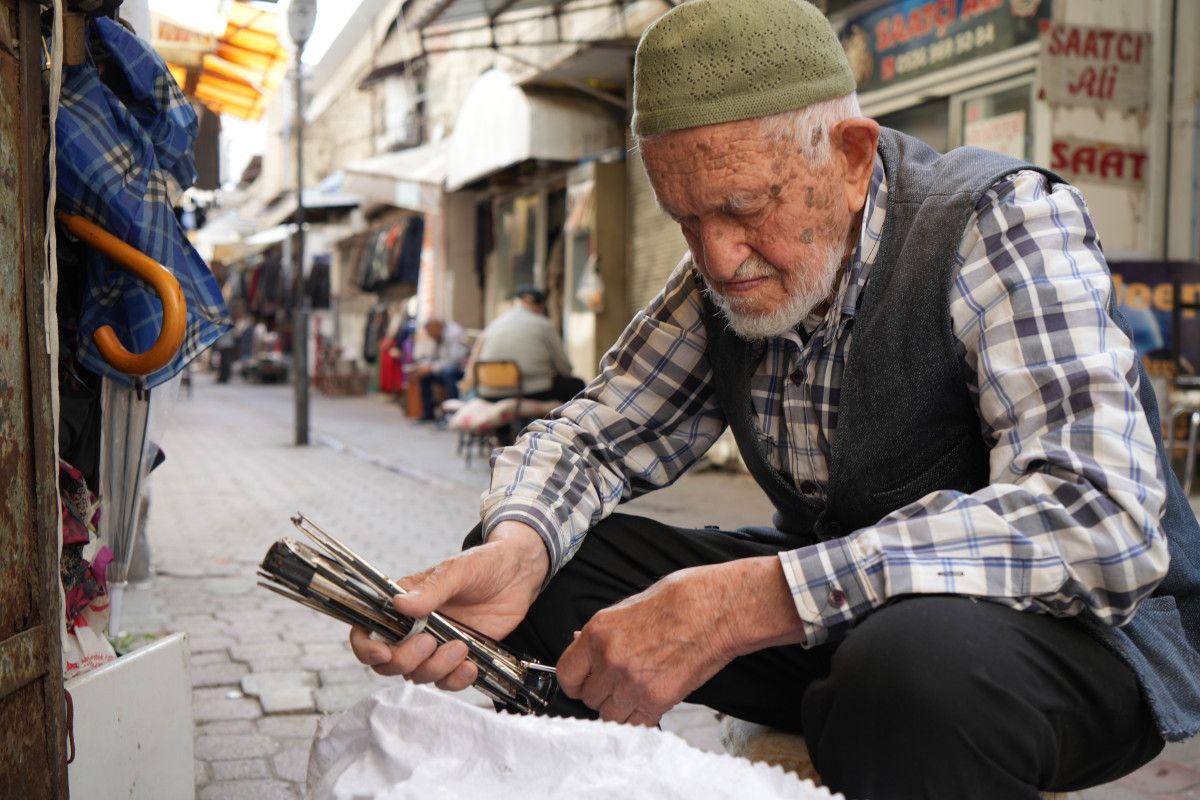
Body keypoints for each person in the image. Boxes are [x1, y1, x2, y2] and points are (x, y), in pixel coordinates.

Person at [349, 2, 1200, 797]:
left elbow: (1099, 517)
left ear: (853, 157)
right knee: (555, 574)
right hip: (849, 622)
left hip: (1071, 640)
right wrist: (517, 545)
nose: (719, 259)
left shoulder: (999, 221)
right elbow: (594, 438)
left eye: (744, 206)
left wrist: (751, 600)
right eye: (685, 220)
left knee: (909, 668)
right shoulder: (733, 270)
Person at [472, 285, 586, 403]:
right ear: (540, 308)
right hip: (528, 392)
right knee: (576, 385)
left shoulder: (493, 324)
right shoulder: (544, 325)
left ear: (513, 303)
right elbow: (566, 369)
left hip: (489, 393)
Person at [412, 317, 469, 421]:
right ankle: (428, 413)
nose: (430, 336)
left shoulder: (454, 333)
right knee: (424, 376)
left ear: (437, 327)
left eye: (430, 332)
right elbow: (434, 357)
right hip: (443, 369)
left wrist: (432, 368)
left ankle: (452, 413)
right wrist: (424, 366)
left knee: (448, 374)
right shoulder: (438, 336)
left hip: (458, 370)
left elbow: (455, 361)